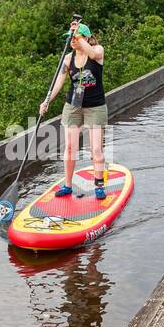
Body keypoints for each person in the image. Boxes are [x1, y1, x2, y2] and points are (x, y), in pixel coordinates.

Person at [40, 15, 109, 199]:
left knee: (95, 149)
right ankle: (68, 186)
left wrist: (78, 33)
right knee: (70, 147)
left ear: (85, 38)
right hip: (73, 105)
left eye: (75, 38)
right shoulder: (68, 58)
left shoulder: (97, 51)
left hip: (95, 106)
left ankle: (99, 185)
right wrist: (47, 101)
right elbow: (59, 82)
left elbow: (93, 54)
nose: (71, 41)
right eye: (70, 38)